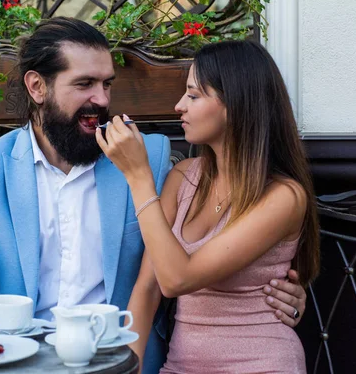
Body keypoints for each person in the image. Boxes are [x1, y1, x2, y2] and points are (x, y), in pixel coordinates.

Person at [0, 18, 308, 373]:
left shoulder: (146, 157)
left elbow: (192, 265)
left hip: (120, 356)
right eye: (84, 84)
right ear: (37, 87)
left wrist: (278, 290)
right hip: (25, 359)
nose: (101, 100)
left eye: (107, 84)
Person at [96, 39, 320, 373]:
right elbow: (149, 287)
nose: (178, 106)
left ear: (235, 105)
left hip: (260, 364)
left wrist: (139, 176)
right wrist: (128, 368)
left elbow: (177, 280)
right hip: (181, 365)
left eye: (194, 95)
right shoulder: (184, 177)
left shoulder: (284, 197)